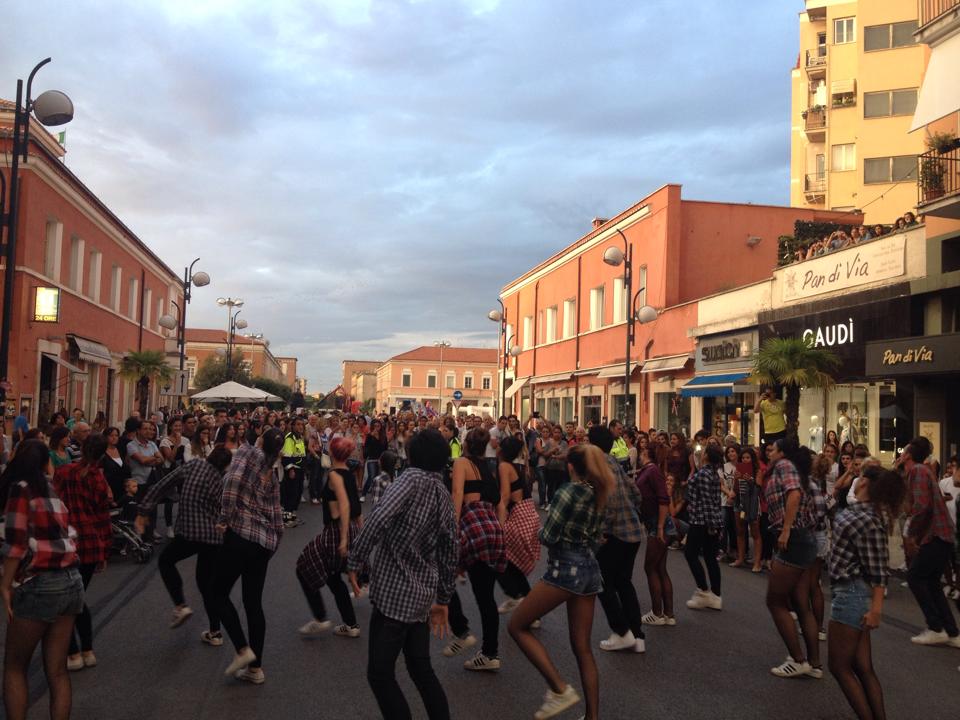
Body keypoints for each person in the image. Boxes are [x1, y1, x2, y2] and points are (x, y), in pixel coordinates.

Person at [346, 428, 457, 720]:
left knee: (380, 674)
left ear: (412, 454)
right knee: (421, 670)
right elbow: (449, 550)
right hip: (421, 597)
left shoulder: (409, 479)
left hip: (395, 595)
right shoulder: (442, 493)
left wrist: (356, 560)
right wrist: (443, 598)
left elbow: (379, 517)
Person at [508, 444, 612, 720]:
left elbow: (549, 535)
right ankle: (592, 716)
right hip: (589, 568)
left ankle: (558, 688)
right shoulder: (598, 492)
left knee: (517, 626)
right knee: (583, 648)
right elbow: (595, 537)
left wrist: (539, 531)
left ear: (570, 467)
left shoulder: (567, 492)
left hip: (566, 567)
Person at [1, 440, 85, 720]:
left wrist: (5, 585)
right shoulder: (51, 490)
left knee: (15, 666)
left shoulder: (20, 490)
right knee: (57, 670)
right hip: (71, 578)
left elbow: (15, 544)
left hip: (40, 582)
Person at [828, 467, 906, 720]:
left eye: (861, 475)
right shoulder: (865, 514)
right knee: (862, 667)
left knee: (839, 666)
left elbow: (880, 570)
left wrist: (876, 610)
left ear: (865, 483)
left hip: (851, 594)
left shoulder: (866, 519)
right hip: (853, 592)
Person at [137, 446, 233, 646]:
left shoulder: (194, 465)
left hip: (189, 532)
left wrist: (144, 510)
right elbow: (228, 509)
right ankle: (215, 632)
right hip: (213, 536)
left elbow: (162, 485)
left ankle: (180, 605)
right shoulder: (223, 480)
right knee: (207, 584)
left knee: (166, 561)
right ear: (225, 465)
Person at [213, 428, 285, 685]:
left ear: (261, 440)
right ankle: (256, 668)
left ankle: (243, 650)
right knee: (253, 602)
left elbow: (230, 487)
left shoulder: (247, 453)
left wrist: (223, 520)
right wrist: (273, 544)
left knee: (217, 592)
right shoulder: (272, 471)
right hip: (262, 543)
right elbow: (277, 514)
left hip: (241, 535)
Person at [444, 428, 507, 671]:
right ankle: (489, 650)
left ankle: (462, 631)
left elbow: (457, 493)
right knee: (486, 597)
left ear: (466, 444)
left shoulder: (462, 462)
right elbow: (501, 505)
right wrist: (499, 530)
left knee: (443, 574)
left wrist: (452, 526)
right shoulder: (488, 469)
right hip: (491, 529)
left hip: (472, 527)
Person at [51, 434, 112, 673]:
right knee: (78, 598)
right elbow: (103, 518)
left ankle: (75, 651)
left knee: (70, 600)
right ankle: (86, 649)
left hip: (68, 540)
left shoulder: (64, 473)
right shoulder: (98, 479)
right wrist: (104, 552)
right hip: (90, 543)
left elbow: (55, 503)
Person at [764, 439, 823, 679]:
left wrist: (787, 529)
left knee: (775, 602)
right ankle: (814, 663)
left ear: (782, 453)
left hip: (794, 538)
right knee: (801, 603)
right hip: (804, 537)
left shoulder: (784, 466)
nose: (769, 453)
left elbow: (794, 494)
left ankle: (798, 659)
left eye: (772, 449)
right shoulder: (796, 469)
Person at [296, 436, 363, 639]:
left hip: (337, 530)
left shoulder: (334, 475)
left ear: (332, 453)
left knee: (303, 566)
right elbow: (356, 508)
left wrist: (344, 539)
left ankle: (320, 617)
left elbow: (344, 504)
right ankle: (350, 624)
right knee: (334, 578)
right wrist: (360, 533)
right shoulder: (349, 474)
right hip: (348, 528)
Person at [590, 425, 646, 653]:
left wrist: (603, 529)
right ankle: (637, 635)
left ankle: (622, 631)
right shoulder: (614, 461)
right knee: (623, 581)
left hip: (617, 533)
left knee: (602, 581)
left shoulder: (599, 464)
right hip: (633, 530)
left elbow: (609, 501)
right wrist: (632, 512)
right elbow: (636, 492)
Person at [902, 436, 960, 647]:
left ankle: (936, 627)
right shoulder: (921, 471)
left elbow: (922, 506)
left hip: (935, 534)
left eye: (903, 451)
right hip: (941, 533)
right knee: (932, 582)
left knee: (915, 577)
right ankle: (951, 632)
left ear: (908, 454)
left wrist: (910, 533)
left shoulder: (918, 470)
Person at [496, 436, 541, 614]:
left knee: (499, 558)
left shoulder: (504, 466)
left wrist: (499, 524)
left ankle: (514, 594)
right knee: (511, 562)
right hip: (527, 515)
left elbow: (505, 496)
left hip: (518, 517)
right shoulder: (516, 467)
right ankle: (528, 608)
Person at [636, 444, 675, 626]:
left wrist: (659, 526)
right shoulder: (649, 470)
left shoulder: (652, 471)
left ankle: (657, 613)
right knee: (659, 568)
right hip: (655, 523)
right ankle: (668, 613)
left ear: (646, 454)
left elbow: (663, 498)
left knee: (650, 567)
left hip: (657, 524)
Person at [683, 443, 724, 611]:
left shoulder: (704, 474)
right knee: (709, 557)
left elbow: (707, 501)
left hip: (702, 521)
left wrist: (711, 525)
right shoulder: (712, 473)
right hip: (709, 519)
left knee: (690, 553)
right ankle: (715, 595)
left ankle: (703, 590)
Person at [280, 417, 307, 528]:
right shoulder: (289, 438)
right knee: (291, 493)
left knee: (298, 493)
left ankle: (293, 516)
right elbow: (286, 456)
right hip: (293, 470)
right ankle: (287, 519)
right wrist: (291, 470)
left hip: (300, 470)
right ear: (293, 426)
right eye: (298, 424)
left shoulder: (300, 437)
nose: (301, 426)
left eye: (302, 424)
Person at [99, 427, 130, 501]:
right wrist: (108, 489)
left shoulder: (121, 450)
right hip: (109, 488)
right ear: (105, 437)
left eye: (116, 435)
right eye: (111, 436)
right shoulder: (102, 453)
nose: (114, 438)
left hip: (123, 489)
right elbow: (101, 474)